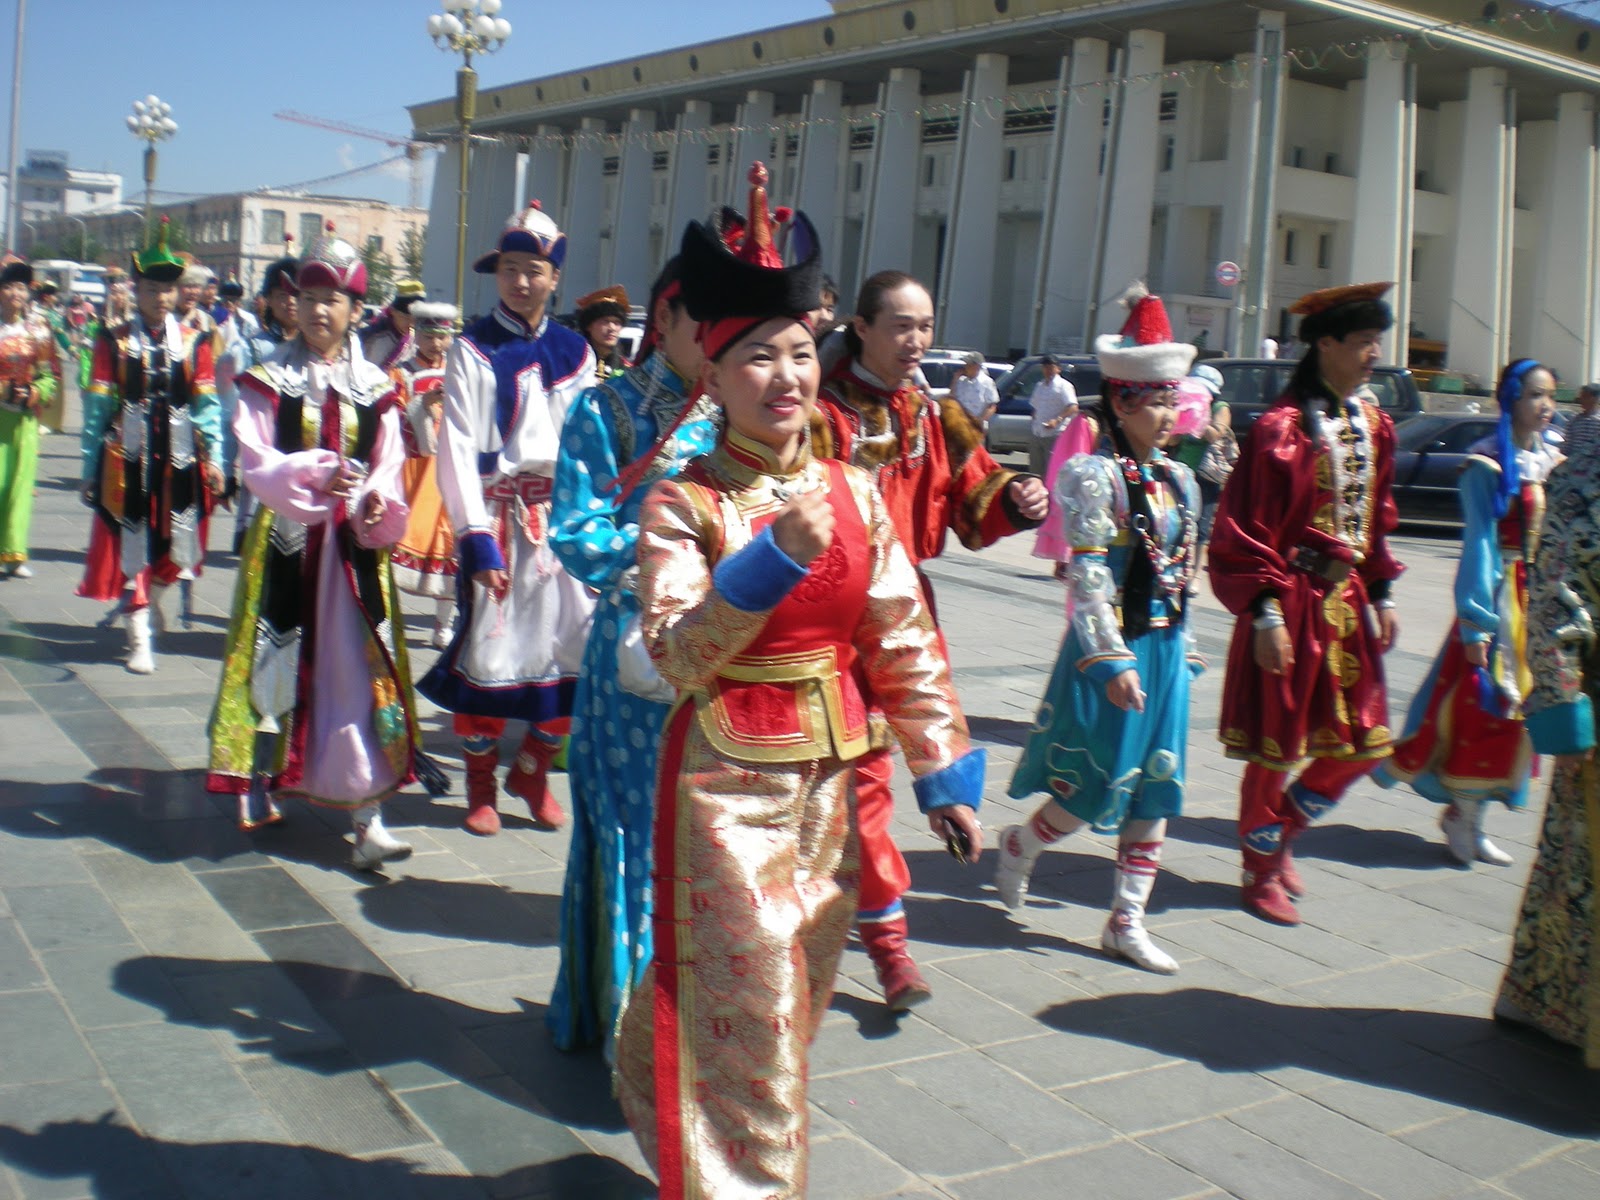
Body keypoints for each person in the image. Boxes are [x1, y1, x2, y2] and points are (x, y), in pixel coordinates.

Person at [612, 165, 985, 1198]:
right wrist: (768, 557)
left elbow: (900, 635)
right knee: (761, 1022)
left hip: (836, 789)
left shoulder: (854, 489)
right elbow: (680, 653)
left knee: (784, 1006)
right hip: (727, 788)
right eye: (757, 358)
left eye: (795, 353)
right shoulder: (684, 504)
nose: (785, 377)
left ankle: (657, 1081)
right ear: (715, 374)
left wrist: (940, 765)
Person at [812, 269, 1047, 1010]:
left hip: (903, 618)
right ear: (862, 327)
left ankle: (889, 949)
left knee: (878, 783)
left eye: (925, 325)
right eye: (903, 325)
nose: (918, 340)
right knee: (830, 790)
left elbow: (972, 508)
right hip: (820, 621)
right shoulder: (817, 414)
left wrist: (1013, 498)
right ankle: (834, 946)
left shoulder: (934, 416)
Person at [996, 295, 1202, 974]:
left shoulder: (1183, 480)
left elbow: (1180, 572)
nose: (1168, 416)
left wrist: (1187, 642)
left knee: (1158, 786)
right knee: (1096, 784)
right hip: (1111, 647)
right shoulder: (1093, 477)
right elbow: (1086, 577)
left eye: (1172, 401)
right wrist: (1110, 656)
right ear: (1120, 403)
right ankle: (1023, 845)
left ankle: (1126, 921)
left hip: (1165, 649)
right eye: (1153, 402)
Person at [204, 224, 421, 865]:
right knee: (275, 658)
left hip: (353, 551)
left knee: (359, 670)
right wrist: (313, 474)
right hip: (290, 541)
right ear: (289, 303)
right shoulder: (266, 380)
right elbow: (255, 459)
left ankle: (368, 814)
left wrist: (374, 500)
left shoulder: (378, 391)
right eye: (309, 297)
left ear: (357, 310)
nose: (320, 310)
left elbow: (388, 462)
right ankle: (259, 776)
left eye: (334, 300)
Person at [546, 255, 716, 1056]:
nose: (720, 341)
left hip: (719, 663)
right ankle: (632, 1029)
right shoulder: (603, 410)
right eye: (705, 322)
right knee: (632, 838)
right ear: (666, 317)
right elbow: (576, 534)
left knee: (704, 849)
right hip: (632, 664)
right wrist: (670, 551)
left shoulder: (737, 415)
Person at [1209, 281, 1404, 926]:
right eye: (1364, 342)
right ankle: (1257, 870)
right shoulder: (1280, 430)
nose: (1375, 353)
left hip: (1346, 605)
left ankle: (1282, 831)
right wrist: (1263, 612)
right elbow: (1246, 527)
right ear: (1326, 345)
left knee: (1366, 746)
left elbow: (1374, 517)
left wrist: (1381, 590)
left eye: (1378, 340)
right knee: (1276, 749)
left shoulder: (1374, 424)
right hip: (1289, 601)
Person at [417, 201, 597, 835]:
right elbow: (458, 448)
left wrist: (595, 524)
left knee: (572, 651)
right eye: (510, 269)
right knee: (491, 655)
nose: (521, 281)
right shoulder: (471, 347)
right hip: (497, 517)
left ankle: (534, 767)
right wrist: (476, 541)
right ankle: (480, 786)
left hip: (561, 522)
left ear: (555, 278)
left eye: (534, 270)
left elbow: (589, 448)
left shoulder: (577, 352)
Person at [1375, 360, 1559, 865]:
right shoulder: (1486, 464)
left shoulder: (1548, 459)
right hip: (1498, 598)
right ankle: (1462, 812)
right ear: (1512, 399)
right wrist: (1478, 621)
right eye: (1535, 395)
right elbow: (1479, 542)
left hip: (1533, 601)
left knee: (1521, 715)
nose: (1545, 406)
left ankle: (1474, 818)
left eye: (1550, 396)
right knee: (1481, 706)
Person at [78, 218, 224, 674]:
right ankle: (139, 631)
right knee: (132, 538)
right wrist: (88, 466)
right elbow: (98, 408)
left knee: (174, 541)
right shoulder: (113, 340)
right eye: (149, 289)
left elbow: (206, 401)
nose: (159, 298)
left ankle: (153, 598)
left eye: (167, 290)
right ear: (135, 291)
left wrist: (215, 456)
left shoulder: (196, 342)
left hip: (179, 456)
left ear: (178, 293)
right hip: (128, 456)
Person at [1495, 432, 1600, 1067]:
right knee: (1579, 864)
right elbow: (1559, 596)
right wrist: (1566, 713)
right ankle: (1546, 1000)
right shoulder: (1586, 472)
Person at [389, 301, 461, 647]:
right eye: (430, 336)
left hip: (452, 470)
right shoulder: (400, 373)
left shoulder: (459, 372)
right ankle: (387, 618)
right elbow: (391, 420)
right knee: (400, 540)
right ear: (417, 335)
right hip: (414, 470)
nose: (436, 344)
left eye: (443, 336)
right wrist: (422, 407)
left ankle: (442, 625)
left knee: (452, 544)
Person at [231, 250, 299, 554]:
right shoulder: (252, 349)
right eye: (280, 295)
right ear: (268, 300)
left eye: (298, 295)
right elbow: (231, 409)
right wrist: (225, 461)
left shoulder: (319, 350)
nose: (290, 302)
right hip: (264, 447)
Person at [0, 258, 61, 579]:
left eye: (20, 287)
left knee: (20, 487)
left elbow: (49, 377)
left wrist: (33, 393)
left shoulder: (38, 331)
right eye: (8, 287)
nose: (14, 294)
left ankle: (13, 552)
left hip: (23, 419)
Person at [1166, 362, 1232, 546]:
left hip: (1206, 474)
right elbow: (1172, 442)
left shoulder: (1220, 408)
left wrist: (1197, 418)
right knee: (1177, 520)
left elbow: (1215, 434)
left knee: (1201, 527)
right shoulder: (1183, 406)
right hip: (1181, 469)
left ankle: (1195, 572)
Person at [29, 280, 69, 433]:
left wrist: (71, 349)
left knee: (49, 386)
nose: (56, 298)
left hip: (47, 355)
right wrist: (72, 350)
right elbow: (59, 335)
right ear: (46, 296)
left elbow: (60, 335)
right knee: (45, 385)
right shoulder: (43, 314)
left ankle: (50, 421)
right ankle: (45, 421)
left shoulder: (46, 313)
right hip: (44, 355)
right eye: (53, 295)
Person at [1027, 353, 1077, 476]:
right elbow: (1035, 406)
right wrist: (1034, 419)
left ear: (1058, 368)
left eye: (1051, 366)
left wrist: (1057, 420)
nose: (1047, 370)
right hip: (1038, 433)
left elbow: (1073, 407)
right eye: (1045, 367)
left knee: (1052, 471)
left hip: (1054, 434)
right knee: (1035, 471)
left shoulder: (1064, 386)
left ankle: (1051, 495)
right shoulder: (1040, 386)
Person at [360, 277, 425, 371]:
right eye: (405, 317)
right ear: (393, 311)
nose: (411, 323)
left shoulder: (416, 337)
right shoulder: (375, 337)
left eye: (415, 319)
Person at [574, 284, 630, 378]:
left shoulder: (626, 369)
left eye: (617, 323)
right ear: (589, 326)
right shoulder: (573, 361)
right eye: (605, 321)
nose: (612, 328)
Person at [951, 349, 999, 429]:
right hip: (960, 424)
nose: (965, 367)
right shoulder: (961, 381)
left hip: (976, 426)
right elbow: (951, 397)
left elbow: (992, 406)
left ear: (976, 366)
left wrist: (979, 420)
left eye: (968, 364)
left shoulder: (987, 382)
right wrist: (955, 379)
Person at [1566, 381, 1600, 454]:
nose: (1581, 400)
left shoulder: (1598, 422)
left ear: (1595, 399)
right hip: (1574, 462)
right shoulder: (1574, 421)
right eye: (1581, 396)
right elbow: (1568, 445)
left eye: (1585, 396)